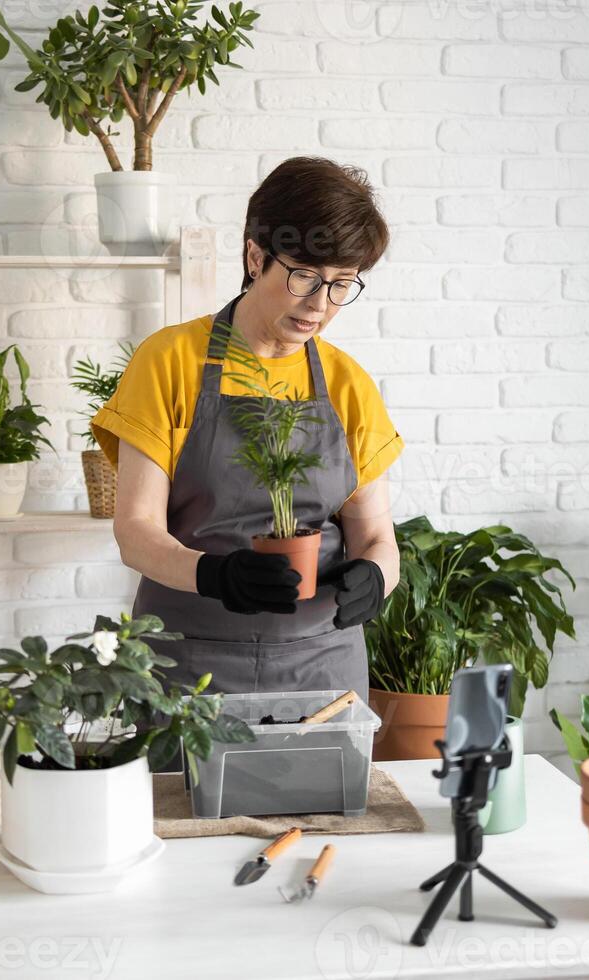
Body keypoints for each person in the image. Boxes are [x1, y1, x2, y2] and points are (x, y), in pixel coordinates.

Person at [90, 156, 405, 771]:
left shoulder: (347, 383)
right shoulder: (169, 362)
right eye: (306, 277)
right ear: (256, 256)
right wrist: (215, 574)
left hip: (324, 669)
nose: (322, 303)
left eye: (344, 283)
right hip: (188, 670)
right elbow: (135, 531)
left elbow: (376, 537)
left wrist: (377, 579)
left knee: (322, 836)